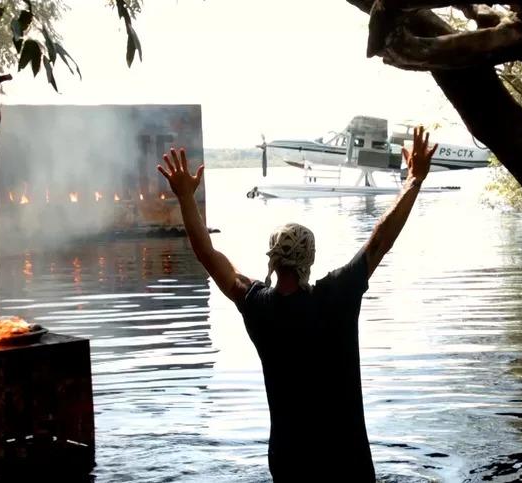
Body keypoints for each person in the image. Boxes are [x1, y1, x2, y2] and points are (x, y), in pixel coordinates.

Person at [157, 126, 437, 482]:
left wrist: (185, 197)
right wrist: (413, 180)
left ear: (272, 258)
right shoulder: (338, 295)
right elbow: (380, 239)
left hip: (290, 460)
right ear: (311, 259)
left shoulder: (257, 305)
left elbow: (207, 253)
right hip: (346, 459)